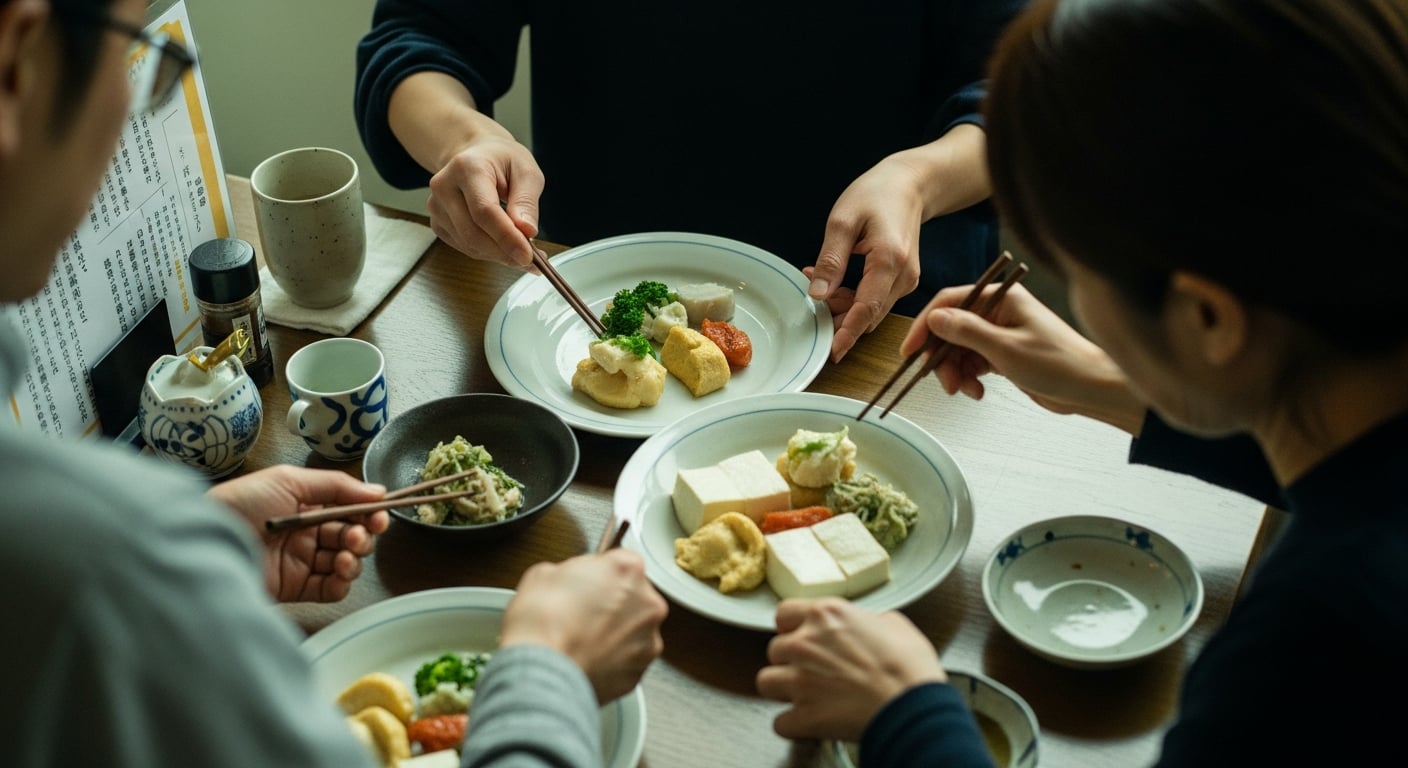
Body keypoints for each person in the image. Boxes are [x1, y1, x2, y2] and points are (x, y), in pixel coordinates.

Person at [0, 1, 666, 766]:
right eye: (141, 53)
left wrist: (183, 557)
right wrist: (554, 672)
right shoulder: (102, 574)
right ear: (19, 60)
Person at [756, 0, 1408, 764]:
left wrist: (909, 711)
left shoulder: (1316, 643)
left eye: (1076, 269)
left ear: (1208, 319)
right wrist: (1114, 386)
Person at [354, 0, 1028, 362]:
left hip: (880, 328)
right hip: (577, 315)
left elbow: (1022, 99)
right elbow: (417, 37)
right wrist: (461, 138)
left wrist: (918, 178)